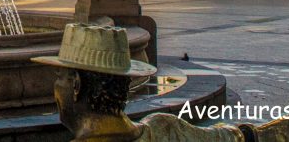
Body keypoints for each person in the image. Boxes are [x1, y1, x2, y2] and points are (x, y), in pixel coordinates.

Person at [34, 23, 242, 141]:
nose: (56, 87)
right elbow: (234, 136)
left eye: (59, 77)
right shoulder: (167, 128)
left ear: (77, 85)